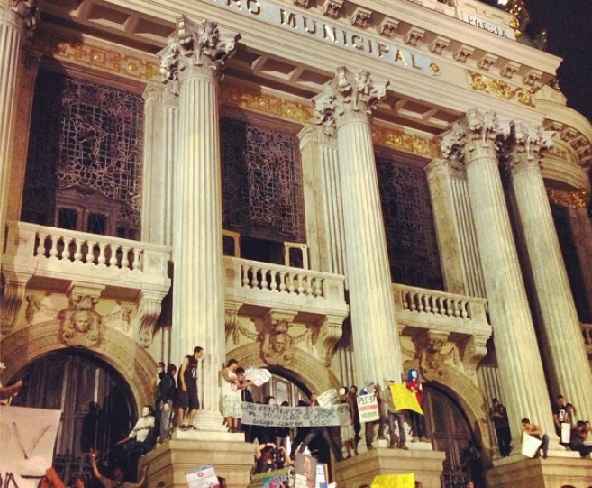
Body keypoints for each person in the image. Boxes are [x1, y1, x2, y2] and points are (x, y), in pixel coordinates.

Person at [176, 346, 203, 430]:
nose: (202, 355)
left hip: (192, 385)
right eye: (201, 353)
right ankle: (181, 424)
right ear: (197, 352)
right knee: (183, 404)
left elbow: (193, 374)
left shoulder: (196, 361)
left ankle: (190, 423)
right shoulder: (187, 358)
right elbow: (181, 372)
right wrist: (183, 384)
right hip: (185, 384)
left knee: (195, 405)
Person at [221, 360, 248, 433]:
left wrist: (245, 383)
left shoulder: (235, 374)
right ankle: (230, 426)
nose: (236, 367)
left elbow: (239, 385)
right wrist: (234, 380)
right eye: (235, 365)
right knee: (229, 410)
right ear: (232, 364)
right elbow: (226, 378)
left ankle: (235, 427)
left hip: (235, 394)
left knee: (235, 411)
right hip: (228, 393)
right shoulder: (226, 370)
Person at [156, 363, 177, 442]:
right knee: (165, 419)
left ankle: (164, 436)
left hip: (168, 401)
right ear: (173, 371)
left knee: (166, 419)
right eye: (175, 371)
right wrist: (165, 403)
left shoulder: (168, 378)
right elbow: (164, 391)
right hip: (167, 401)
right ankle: (163, 437)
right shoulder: (168, 378)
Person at [348, 385, 361, 454]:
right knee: (351, 434)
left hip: (357, 417)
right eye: (351, 389)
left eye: (354, 389)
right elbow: (351, 409)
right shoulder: (348, 397)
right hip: (351, 418)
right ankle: (353, 448)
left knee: (356, 433)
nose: (352, 390)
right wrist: (351, 419)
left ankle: (355, 448)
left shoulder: (356, 397)